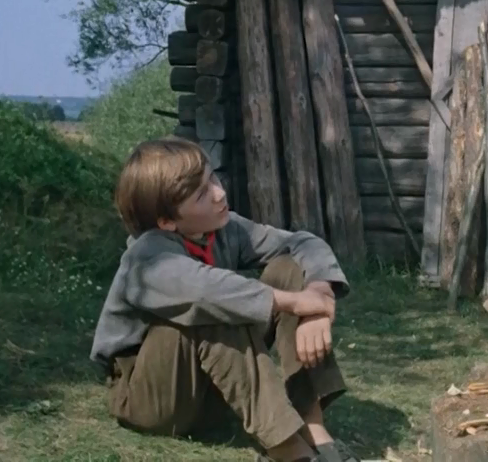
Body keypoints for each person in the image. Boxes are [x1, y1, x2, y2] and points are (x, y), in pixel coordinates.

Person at [90, 137, 359, 462]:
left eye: (213, 178)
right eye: (201, 194)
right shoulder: (147, 256)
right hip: (150, 398)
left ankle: (311, 423)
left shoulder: (225, 229)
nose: (219, 193)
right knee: (214, 306)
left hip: (210, 391)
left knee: (289, 268)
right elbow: (205, 291)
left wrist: (318, 293)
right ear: (166, 222)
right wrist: (295, 303)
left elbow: (302, 242)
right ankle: (287, 450)